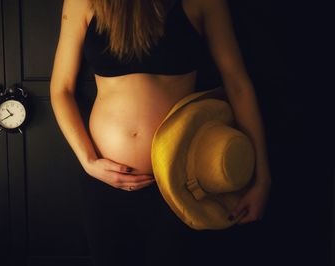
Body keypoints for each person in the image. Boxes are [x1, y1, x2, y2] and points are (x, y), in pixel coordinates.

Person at [50, 0, 272, 265]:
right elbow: (61, 89)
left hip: (181, 184)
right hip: (105, 182)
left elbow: (238, 85)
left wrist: (262, 178)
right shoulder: (82, 3)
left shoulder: (203, 2)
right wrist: (88, 162)